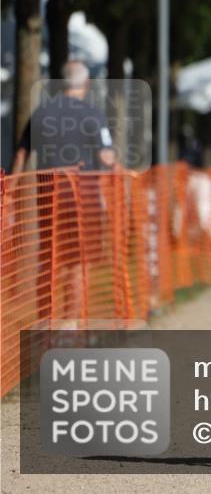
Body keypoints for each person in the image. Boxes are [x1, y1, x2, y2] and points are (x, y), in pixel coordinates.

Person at [11, 60, 117, 327]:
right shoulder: (93, 115)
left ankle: (45, 322)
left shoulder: (42, 113)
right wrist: (121, 171)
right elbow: (106, 157)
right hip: (83, 197)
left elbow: (22, 153)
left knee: (49, 258)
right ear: (87, 83)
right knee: (77, 261)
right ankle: (69, 323)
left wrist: (10, 192)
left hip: (49, 195)